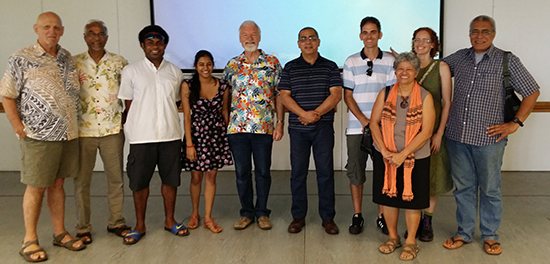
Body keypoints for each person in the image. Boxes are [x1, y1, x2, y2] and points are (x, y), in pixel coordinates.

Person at [441, 15, 540, 255]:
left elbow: (532, 91)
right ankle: (464, 232)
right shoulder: (459, 58)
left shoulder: (507, 60)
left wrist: (515, 123)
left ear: (493, 34)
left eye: (485, 31)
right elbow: (433, 68)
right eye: (475, 31)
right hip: (457, 136)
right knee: (463, 188)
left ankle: (489, 235)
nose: (479, 36)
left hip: (488, 140)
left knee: (490, 189)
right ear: (469, 34)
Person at [0, 11, 86, 262]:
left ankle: (60, 233)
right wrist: (18, 127)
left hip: (67, 134)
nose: (52, 31)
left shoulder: (67, 57)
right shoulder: (20, 58)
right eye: (46, 26)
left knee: (58, 185)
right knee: (36, 186)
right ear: (36, 28)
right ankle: (29, 239)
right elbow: (7, 95)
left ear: (62, 30)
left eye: (56, 27)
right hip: (38, 135)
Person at [118, 25, 188, 245]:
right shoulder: (131, 71)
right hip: (141, 136)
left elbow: (176, 101)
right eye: (150, 43)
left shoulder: (174, 72)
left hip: (170, 135)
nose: (155, 46)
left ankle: (170, 220)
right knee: (139, 183)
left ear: (165, 45)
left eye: (159, 42)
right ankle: (140, 225)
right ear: (142, 45)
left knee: (171, 181)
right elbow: (129, 104)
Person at [370, 52, 435, 261]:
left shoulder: (425, 96)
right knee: (388, 199)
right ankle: (392, 237)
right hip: (386, 156)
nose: (404, 72)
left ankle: (411, 242)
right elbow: (373, 123)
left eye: (409, 69)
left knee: (412, 202)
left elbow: (426, 131)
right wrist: (386, 152)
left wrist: (403, 155)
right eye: (400, 68)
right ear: (395, 71)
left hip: (416, 157)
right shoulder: (386, 92)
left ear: (416, 72)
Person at [279, 27, 343, 235]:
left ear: (318, 42)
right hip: (298, 130)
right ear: (298, 44)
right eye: (303, 39)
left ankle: (328, 218)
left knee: (325, 173)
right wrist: (304, 114)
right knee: (298, 173)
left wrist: (315, 113)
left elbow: (335, 96)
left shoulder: (330, 66)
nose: (308, 42)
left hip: (322, 128)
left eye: (312, 38)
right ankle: (298, 217)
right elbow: (284, 96)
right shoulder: (289, 67)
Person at [73, 19, 131, 244]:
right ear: (85, 37)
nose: (96, 38)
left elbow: (128, 94)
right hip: (83, 131)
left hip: (112, 129)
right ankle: (83, 227)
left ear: (106, 37)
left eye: (100, 34)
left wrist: (125, 119)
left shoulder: (119, 62)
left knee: (115, 179)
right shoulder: (74, 62)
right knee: (82, 182)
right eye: (91, 33)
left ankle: (116, 221)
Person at [223, 20, 284, 230]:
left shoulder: (272, 63)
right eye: (245, 35)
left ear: (259, 37)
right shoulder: (232, 65)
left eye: (253, 34)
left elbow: (279, 95)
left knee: (263, 171)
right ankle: (246, 212)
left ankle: (262, 212)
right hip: (237, 128)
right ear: (240, 38)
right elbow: (226, 96)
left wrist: (280, 123)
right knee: (241, 172)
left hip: (263, 127)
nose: (250, 38)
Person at [342, 16, 396, 235]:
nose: (369, 36)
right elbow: (348, 96)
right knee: (356, 171)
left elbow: (392, 96)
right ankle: (358, 215)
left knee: (382, 172)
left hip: (384, 128)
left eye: (373, 32)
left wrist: (376, 123)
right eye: (365, 32)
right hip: (356, 127)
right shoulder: (351, 61)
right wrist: (365, 121)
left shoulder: (391, 61)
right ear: (360, 36)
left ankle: (382, 216)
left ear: (380, 34)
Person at [406, 27, 453, 242]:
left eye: (425, 40)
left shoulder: (441, 67)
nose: (420, 44)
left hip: (432, 131)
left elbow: (446, 102)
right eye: (417, 40)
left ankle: (427, 221)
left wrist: (439, 133)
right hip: (408, 133)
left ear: (433, 44)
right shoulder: (409, 66)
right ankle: (413, 221)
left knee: (432, 177)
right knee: (412, 177)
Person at [182, 50, 233, 233]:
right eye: (201, 64)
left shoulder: (223, 86)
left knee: (211, 176)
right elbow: (187, 116)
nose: (206, 68)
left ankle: (208, 217)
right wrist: (189, 144)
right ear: (196, 66)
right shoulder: (188, 85)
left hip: (216, 136)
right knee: (196, 177)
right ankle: (195, 214)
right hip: (196, 135)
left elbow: (225, 112)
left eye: (209, 64)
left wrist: (227, 138)